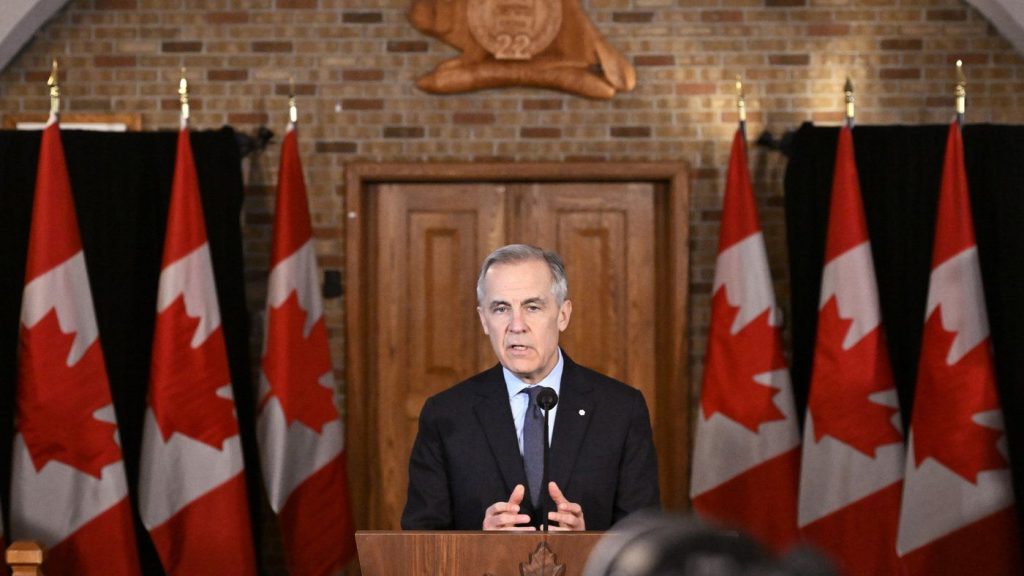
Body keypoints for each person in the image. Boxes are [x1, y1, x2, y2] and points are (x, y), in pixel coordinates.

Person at [401, 244, 660, 531]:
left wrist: (587, 542)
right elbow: (420, 538)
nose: (517, 325)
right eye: (501, 309)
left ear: (563, 315)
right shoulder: (446, 415)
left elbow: (643, 537)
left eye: (532, 307)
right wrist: (478, 542)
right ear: (484, 320)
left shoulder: (620, 411)